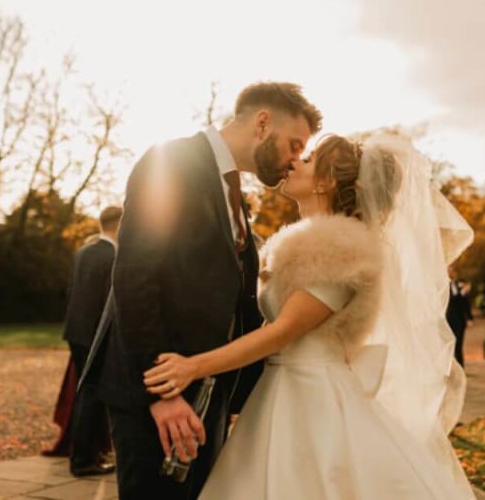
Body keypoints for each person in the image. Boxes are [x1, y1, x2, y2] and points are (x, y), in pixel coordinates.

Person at [144, 132, 476, 499]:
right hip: (280, 390)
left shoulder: (341, 251)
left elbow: (281, 332)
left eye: (310, 158)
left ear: (327, 182)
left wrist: (193, 366)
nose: (295, 161)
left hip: (313, 402)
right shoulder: (303, 245)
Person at [78, 82, 322, 498]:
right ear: (263, 123)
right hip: (159, 390)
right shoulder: (171, 161)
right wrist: (162, 394)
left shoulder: (232, 192)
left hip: (206, 390)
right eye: (294, 144)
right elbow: (136, 276)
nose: (294, 160)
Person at [45, 206, 122, 475]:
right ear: (120, 224)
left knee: (84, 395)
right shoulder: (113, 256)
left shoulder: (83, 252)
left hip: (76, 332)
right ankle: (83, 460)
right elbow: (109, 303)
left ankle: (88, 453)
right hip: (95, 335)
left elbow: (72, 291)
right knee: (92, 397)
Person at [446, 266, 473, 367]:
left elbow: (465, 303)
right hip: (449, 319)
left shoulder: (459, 284)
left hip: (460, 320)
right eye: (449, 271)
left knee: (459, 345)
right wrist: (462, 292)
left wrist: (470, 317)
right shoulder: (444, 285)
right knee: (450, 345)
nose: (451, 273)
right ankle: (450, 368)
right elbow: (452, 299)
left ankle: (461, 368)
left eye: (452, 271)